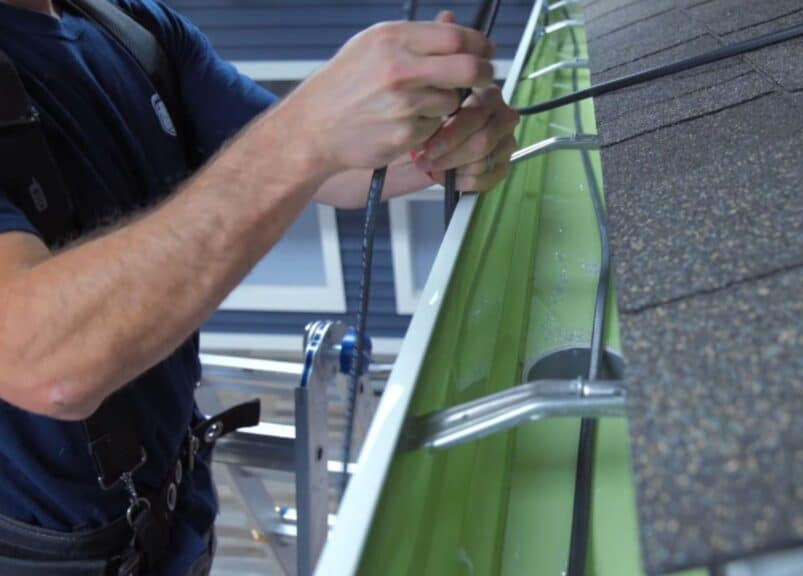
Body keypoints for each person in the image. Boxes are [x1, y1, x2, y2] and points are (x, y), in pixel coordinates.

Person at [0, 0, 520, 573]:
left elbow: (332, 164)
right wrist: (309, 129)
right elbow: (47, 360)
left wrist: (439, 148)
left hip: (176, 521)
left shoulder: (129, 24)